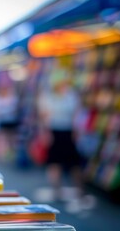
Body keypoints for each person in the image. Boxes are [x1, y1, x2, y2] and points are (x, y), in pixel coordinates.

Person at [37, 70, 83, 201]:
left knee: (75, 163)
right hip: (54, 131)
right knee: (55, 163)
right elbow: (43, 116)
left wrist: (76, 131)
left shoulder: (71, 95)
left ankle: (80, 190)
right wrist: (45, 133)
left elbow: (76, 114)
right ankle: (57, 191)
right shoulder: (47, 96)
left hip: (68, 131)